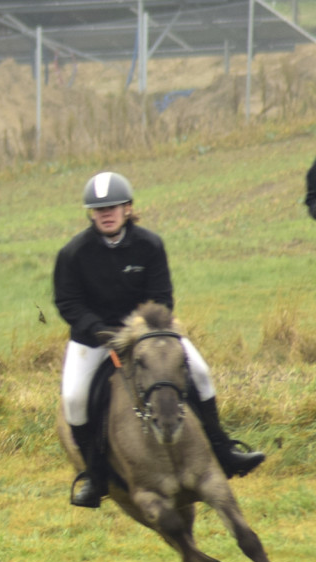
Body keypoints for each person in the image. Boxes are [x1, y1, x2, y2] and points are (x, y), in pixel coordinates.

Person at [54, 171, 265, 508]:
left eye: (113, 206)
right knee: (75, 400)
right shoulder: (73, 253)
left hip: (147, 333)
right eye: (98, 208)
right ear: (90, 213)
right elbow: (68, 302)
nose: (106, 213)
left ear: (127, 208)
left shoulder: (149, 244)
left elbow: (162, 297)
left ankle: (224, 450)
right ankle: (95, 477)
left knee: (200, 372)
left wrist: (141, 331)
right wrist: (99, 331)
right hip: (93, 338)